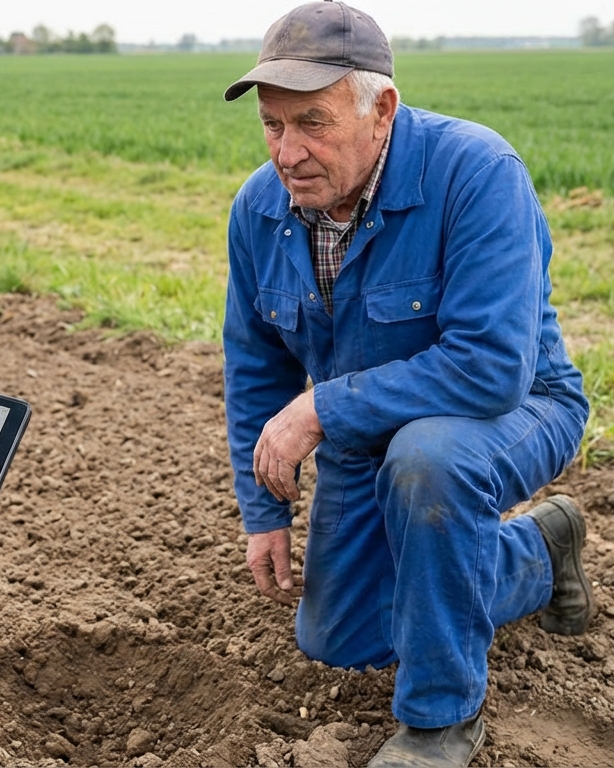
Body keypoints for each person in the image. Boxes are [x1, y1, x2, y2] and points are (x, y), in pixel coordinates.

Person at [221, 2, 594, 766]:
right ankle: (536, 550)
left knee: (430, 459)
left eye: (312, 123)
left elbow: (492, 366)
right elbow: (256, 364)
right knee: (340, 639)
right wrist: (263, 509)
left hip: (516, 406)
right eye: (272, 125)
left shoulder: (478, 173)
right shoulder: (261, 210)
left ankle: (438, 721)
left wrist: (324, 406)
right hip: (366, 432)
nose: (287, 151)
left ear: (380, 109)